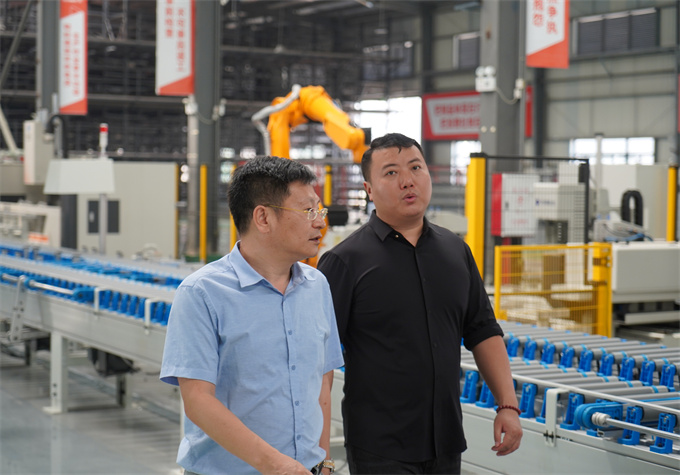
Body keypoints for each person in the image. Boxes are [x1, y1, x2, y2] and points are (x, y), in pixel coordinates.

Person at [317, 133, 522, 474]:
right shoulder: (344, 261)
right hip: (379, 447)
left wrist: (508, 405)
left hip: (446, 440)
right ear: (369, 190)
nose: (407, 181)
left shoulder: (456, 251)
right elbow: (318, 362)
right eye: (391, 172)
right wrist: (322, 453)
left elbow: (483, 330)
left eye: (415, 168)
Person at [160, 156, 344, 475]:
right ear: (263, 217)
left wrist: (325, 462)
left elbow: (323, 380)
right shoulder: (202, 293)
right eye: (308, 211)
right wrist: (275, 465)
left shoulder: (317, 286)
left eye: (320, 210)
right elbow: (198, 400)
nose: (319, 222)